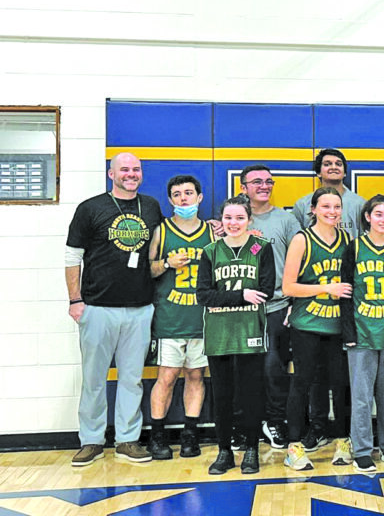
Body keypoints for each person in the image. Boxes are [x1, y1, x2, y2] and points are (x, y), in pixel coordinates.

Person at [65, 152, 164, 466]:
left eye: (136, 169)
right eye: (125, 169)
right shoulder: (90, 208)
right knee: (94, 378)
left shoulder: (151, 206)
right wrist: (75, 300)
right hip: (97, 307)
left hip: (140, 307)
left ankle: (127, 440)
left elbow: (164, 244)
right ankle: (92, 441)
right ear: (112, 174)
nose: (131, 174)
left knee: (132, 378)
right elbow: (72, 257)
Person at [197, 195, 276, 475]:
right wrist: (242, 294)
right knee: (223, 395)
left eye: (240, 218)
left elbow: (265, 290)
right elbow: (204, 295)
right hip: (218, 334)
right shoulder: (210, 251)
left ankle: (252, 449)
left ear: (249, 220)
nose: (234, 223)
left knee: (251, 394)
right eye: (228, 218)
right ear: (221, 220)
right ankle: (224, 451)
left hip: (250, 330)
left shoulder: (260, 248)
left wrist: (225, 298)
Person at [280, 187, 353, 471]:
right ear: (313, 209)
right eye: (326, 207)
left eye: (336, 207)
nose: (332, 212)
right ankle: (294, 447)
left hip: (337, 327)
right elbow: (288, 287)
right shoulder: (302, 240)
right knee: (302, 384)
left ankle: (342, 441)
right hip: (307, 325)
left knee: (340, 385)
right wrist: (326, 287)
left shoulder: (347, 239)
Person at [339, 196, 384, 473]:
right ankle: (361, 450)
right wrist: (348, 331)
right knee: (361, 395)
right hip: (361, 330)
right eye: (378, 214)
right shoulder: (355, 248)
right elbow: (345, 292)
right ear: (367, 217)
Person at [146, 175, 214, 461]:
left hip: (201, 319)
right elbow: (146, 270)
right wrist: (166, 263)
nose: (183, 198)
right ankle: (158, 435)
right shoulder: (161, 230)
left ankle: (190, 434)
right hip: (170, 318)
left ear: (199, 198)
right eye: (177, 194)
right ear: (171, 200)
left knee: (196, 376)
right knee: (167, 377)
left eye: (189, 193)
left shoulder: (212, 232)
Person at [240, 164, 304, 452]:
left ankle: (275, 421)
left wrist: (295, 301)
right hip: (241, 308)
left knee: (273, 368)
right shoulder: (235, 218)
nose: (264, 186)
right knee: (243, 370)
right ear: (244, 188)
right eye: (256, 182)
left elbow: (302, 262)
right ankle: (244, 427)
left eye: (268, 181)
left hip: (277, 305)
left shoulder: (287, 220)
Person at [291, 148, 366, 236]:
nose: (334, 167)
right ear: (318, 173)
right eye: (327, 164)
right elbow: (296, 240)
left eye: (338, 164)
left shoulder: (360, 204)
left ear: (345, 173)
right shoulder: (303, 204)